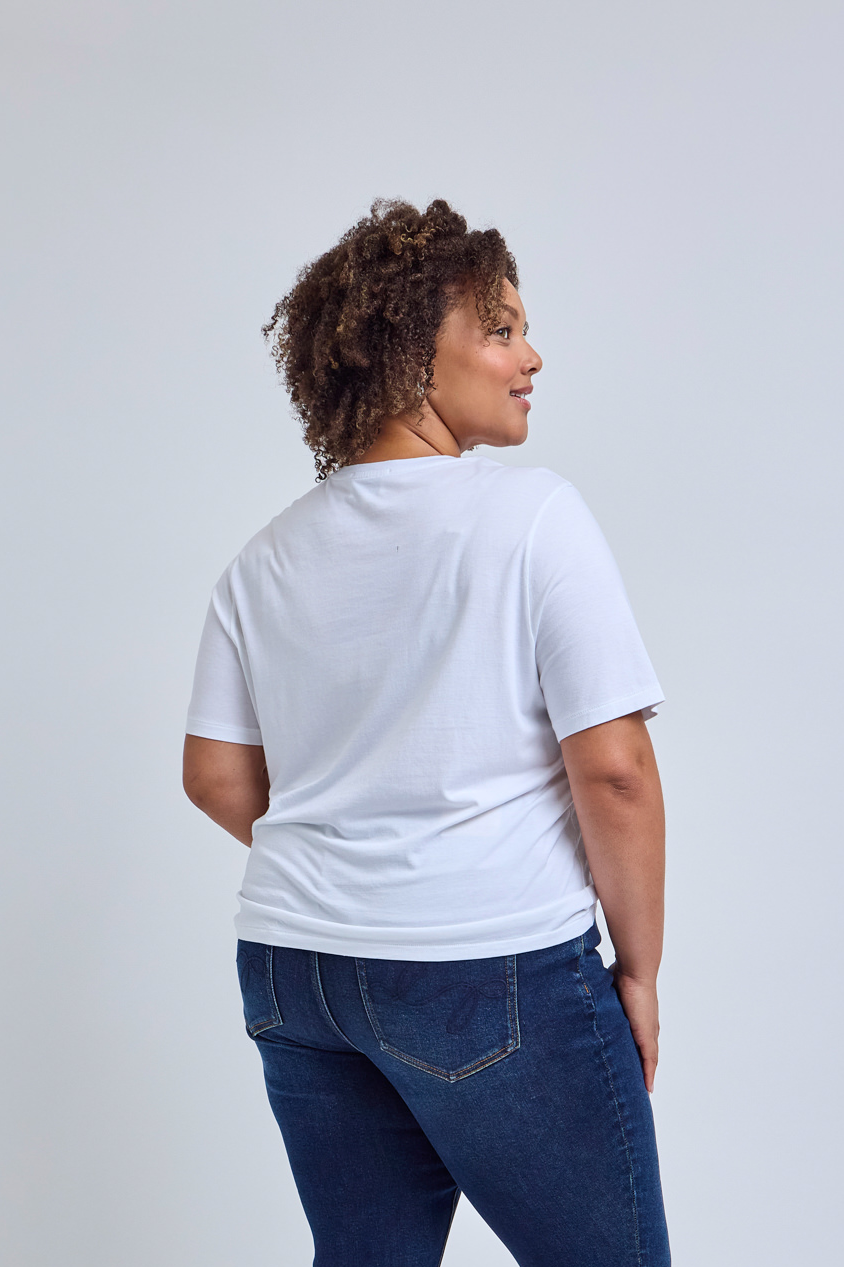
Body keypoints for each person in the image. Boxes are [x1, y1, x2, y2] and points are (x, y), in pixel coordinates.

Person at [183, 196, 672, 1266]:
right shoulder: (530, 516)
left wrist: (354, 845)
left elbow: (215, 776)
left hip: (295, 970)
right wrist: (636, 969)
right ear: (409, 356)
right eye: (498, 329)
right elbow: (616, 768)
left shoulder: (264, 558)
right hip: (482, 968)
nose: (530, 353)